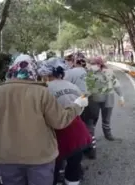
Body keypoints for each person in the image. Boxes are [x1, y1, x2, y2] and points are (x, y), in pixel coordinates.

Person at [0, 54, 89, 185]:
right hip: (40, 157)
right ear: (33, 72)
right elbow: (59, 121)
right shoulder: (42, 92)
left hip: (6, 157)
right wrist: (76, 105)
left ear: (11, 71)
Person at [38, 57, 92, 185]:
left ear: (47, 74)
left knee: (54, 168)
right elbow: (82, 105)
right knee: (74, 167)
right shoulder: (72, 85)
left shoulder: (44, 89)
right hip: (78, 132)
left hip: (57, 134)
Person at [84, 56, 124, 157]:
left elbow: (116, 84)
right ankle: (91, 138)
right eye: (90, 64)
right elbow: (86, 87)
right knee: (92, 119)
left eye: (93, 64)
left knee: (106, 119)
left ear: (99, 64)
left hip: (107, 99)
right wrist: (83, 96)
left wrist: (121, 96)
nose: (91, 66)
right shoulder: (89, 73)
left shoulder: (109, 72)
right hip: (94, 100)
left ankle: (108, 134)